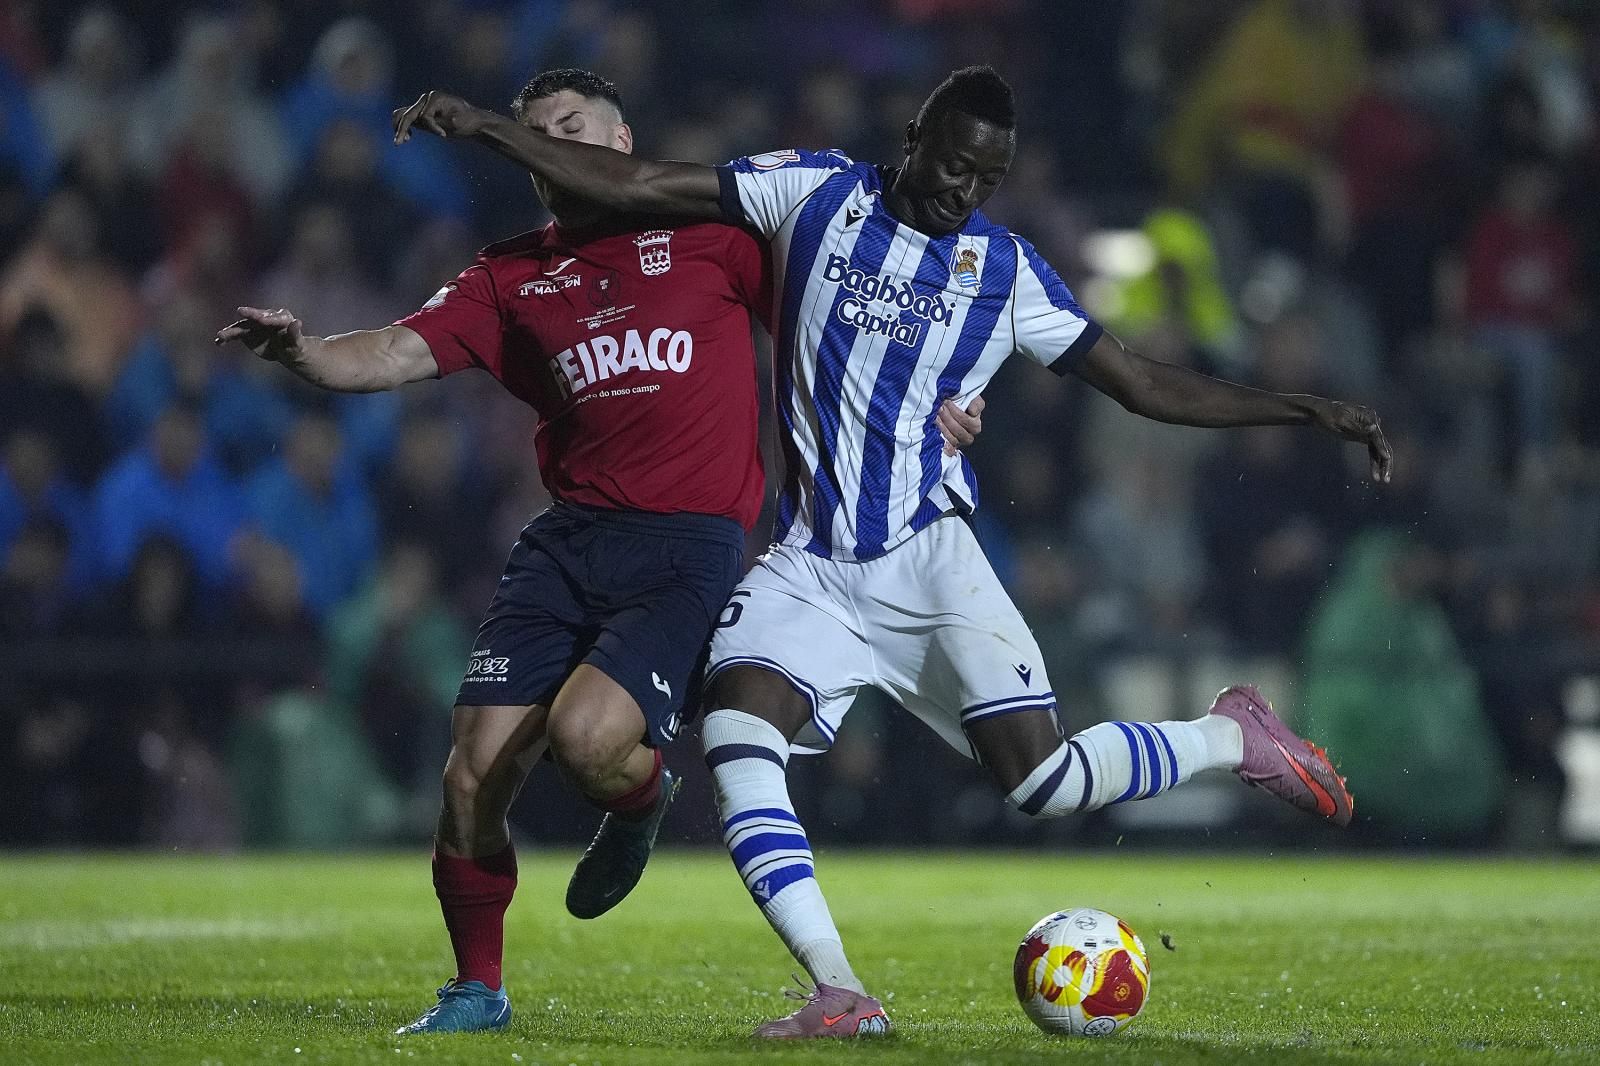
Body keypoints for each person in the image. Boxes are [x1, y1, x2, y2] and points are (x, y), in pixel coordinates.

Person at [393, 63, 1392, 1040]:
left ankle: (1230, 738)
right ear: (913, 140)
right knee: (736, 736)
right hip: (811, 564)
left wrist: (1303, 409)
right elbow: (635, 184)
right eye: (952, 162)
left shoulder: (1001, 271)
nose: (963, 188)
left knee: (1039, 784)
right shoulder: (816, 191)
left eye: (985, 178)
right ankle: (839, 990)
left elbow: (1137, 381)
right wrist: (488, 128)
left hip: (928, 560)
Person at [224, 68, 983, 1037]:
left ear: (620, 145)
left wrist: (940, 397)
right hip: (567, 541)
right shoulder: (509, 274)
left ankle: (640, 799)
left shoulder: (716, 236)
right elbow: (398, 351)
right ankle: (476, 991)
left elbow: (846, 317)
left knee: (588, 744)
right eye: (537, 135)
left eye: (569, 127)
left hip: (686, 545)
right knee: (470, 775)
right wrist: (302, 351)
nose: (550, 148)